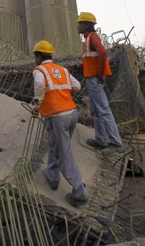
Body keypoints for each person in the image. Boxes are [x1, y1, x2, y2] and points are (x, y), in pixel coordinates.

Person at [31, 40, 88, 207]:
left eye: (35, 56)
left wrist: (36, 105)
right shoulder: (62, 70)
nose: (34, 59)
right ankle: (52, 176)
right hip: (72, 113)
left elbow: (40, 84)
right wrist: (61, 91)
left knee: (64, 153)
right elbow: (76, 86)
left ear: (39, 56)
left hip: (58, 116)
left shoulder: (39, 70)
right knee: (54, 145)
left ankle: (79, 191)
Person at [76, 12, 122, 150]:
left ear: (86, 25)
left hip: (94, 79)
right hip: (92, 79)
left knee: (103, 110)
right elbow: (94, 58)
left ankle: (115, 142)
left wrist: (100, 73)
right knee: (96, 111)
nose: (78, 26)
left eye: (79, 24)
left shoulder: (92, 37)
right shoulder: (88, 39)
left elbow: (102, 52)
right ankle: (101, 140)